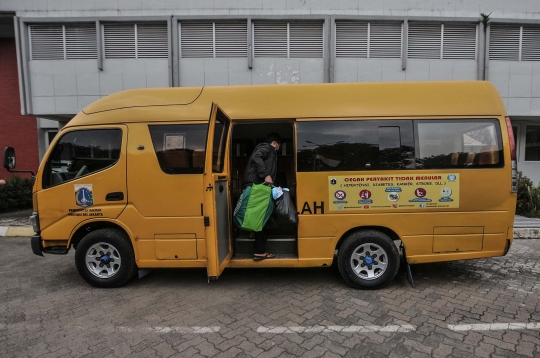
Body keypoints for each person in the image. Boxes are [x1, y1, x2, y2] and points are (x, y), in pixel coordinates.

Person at [242, 132, 281, 260]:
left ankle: (253, 232)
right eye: (278, 147)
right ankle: (259, 251)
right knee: (264, 217)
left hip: (257, 186)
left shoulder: (267, 149)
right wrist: (266, 174)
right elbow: (257, 157)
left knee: (260, 215)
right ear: (274, 143)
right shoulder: (266, 147)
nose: (277, 150)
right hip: (257, 187)